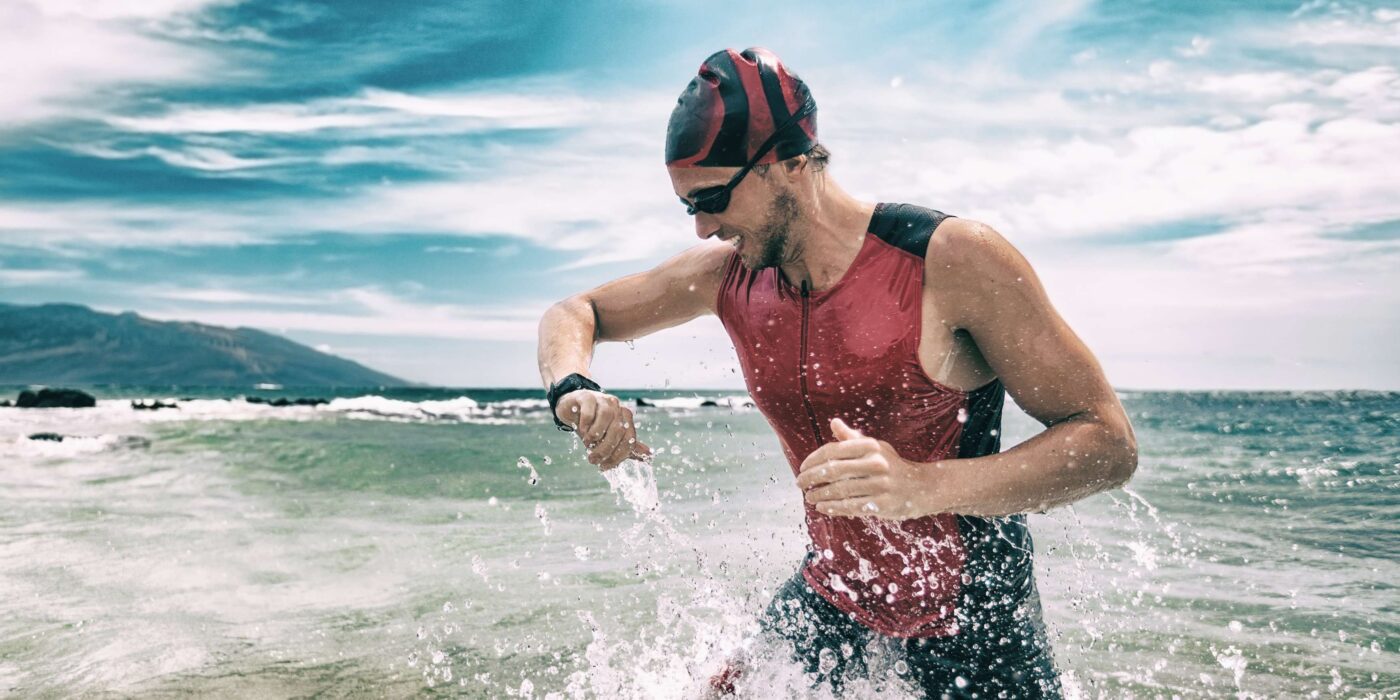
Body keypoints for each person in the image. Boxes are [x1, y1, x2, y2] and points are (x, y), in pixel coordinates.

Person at [536, 47, 1138, 699]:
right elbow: (578, 311)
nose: (706, 228)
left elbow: (1108, 444)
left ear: (789, 163)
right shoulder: (729, 277)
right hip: (836, 592)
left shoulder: (950, 259)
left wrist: (921, 488)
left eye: (713, 199)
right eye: (691, 209)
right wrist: (575, 389)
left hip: (973, 619)